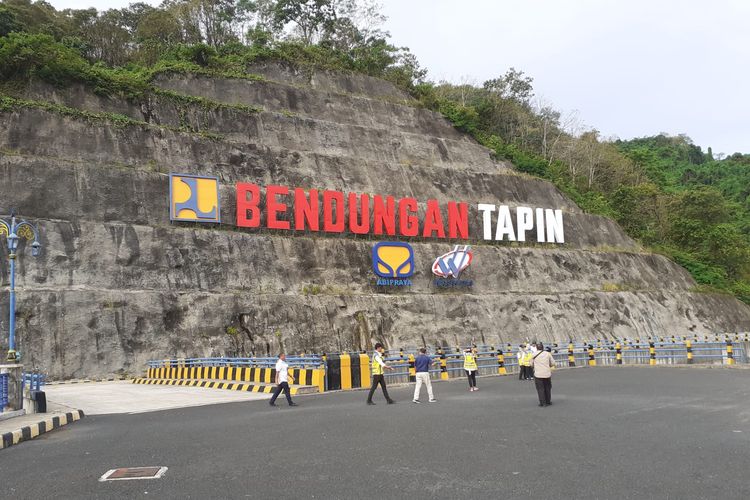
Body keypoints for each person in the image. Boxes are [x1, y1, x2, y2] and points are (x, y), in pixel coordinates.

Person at [531, 342, 555, 407]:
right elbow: (553, 363)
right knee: (547, 388)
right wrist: (548, 365)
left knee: (540, 388)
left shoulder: (533, 354)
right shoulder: (547, 354)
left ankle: (543, 402)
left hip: (538, 374)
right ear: (543, 347)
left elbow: (531, 364)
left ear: (536, 348)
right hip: (547, 373)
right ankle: (548, 401)